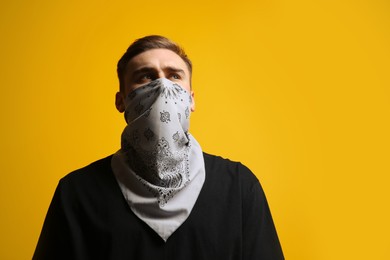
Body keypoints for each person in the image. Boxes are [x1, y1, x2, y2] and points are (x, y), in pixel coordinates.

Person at [33, 35, 284, 259]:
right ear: (121, 101)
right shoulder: (77, 193)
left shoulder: (239, 187)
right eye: (146, 76)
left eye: (174, 75)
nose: (163, 86)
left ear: (191, 99)